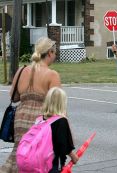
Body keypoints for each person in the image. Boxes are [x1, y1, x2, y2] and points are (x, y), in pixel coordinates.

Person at [0, 37, 61, 173]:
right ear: (50, 53)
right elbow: (59, 110)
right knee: (37, 158)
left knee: (21, 153)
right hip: (40, 122)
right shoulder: (52, 75)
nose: (55, 56)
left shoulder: (22, 70)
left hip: (20, 118)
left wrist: (27, 95)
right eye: (55, 53)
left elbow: (14, 97)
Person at [42, 87, 78, 172]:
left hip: (40, 160)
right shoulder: (61, 121)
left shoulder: (41, 119)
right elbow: (63, 144)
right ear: (62, 103)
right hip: (53, 162)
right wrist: (73, 156)